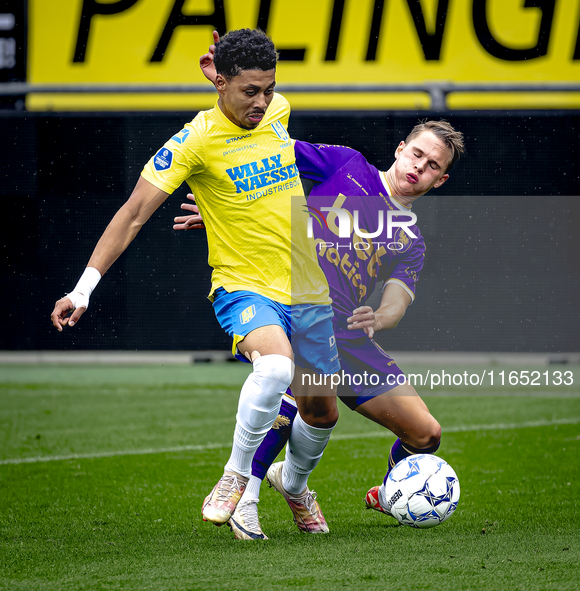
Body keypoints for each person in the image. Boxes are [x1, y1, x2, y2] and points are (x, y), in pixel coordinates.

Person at [50, 28, 341, 534]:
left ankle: (292, 485)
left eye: (268, 88)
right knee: (273, 368)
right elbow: (134, 213)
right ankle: (234, 477)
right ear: (221, 83)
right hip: (243, 285)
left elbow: (263, 188)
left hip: (307, 287)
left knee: (320, 412)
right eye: (249, 91)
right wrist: (82, 288)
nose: (262, 100)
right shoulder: (195, 140)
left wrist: (232, 85)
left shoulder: (278, 111)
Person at [174, 118, 465, 539]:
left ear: (440, 180)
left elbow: (398, 300)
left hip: (349, 332)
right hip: (296, 305)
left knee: (426, 434)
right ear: (401, 149)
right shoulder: (347, 165)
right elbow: (266, 155)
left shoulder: (411, 239)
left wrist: (380, 317)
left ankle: (384, 493)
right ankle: (245, 498)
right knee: (293, 394)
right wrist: (227, 206)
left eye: (433, 165)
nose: (420, 166)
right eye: (417, 154)